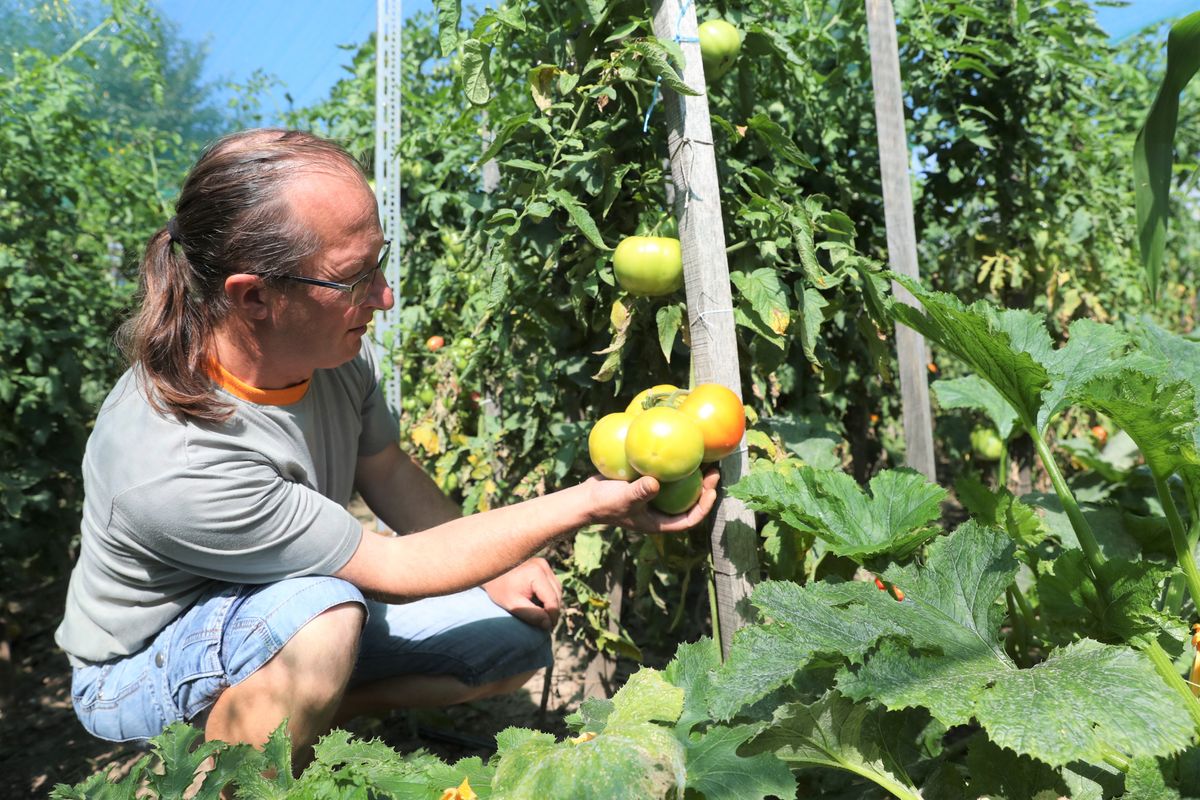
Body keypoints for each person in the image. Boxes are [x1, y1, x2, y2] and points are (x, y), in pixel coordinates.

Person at [54, 128, 719, 765]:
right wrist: (591, 502)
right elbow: (393, 568)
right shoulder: (175, 458)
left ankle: (302, 711)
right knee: (322, 615)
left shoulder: (336, 357)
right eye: (353, 279)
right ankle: (216, 778)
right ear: (254, 296)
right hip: (137, 669)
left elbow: (387, 471)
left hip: (273, 611)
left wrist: (496, 570)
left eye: (381, 262)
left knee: (509, 643)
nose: (385, 296)